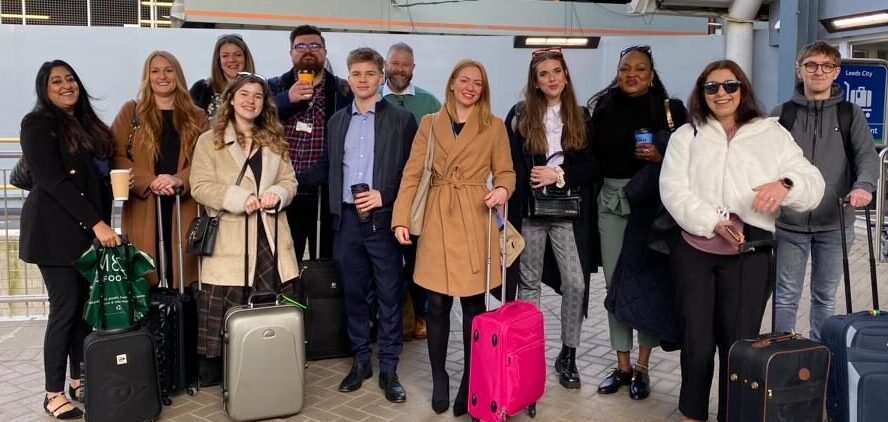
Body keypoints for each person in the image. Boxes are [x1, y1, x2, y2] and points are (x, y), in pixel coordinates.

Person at [660, 59, 825, 422]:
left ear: (743, 89)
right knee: (697, 343)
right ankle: (692, 413)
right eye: (712, 87)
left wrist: (785, 186)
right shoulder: (687, 135)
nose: (722, 93)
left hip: (750, 252)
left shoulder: (771, 133)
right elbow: (673, 190)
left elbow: (811, 181)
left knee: (738, 344)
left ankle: (735, 414)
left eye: (730, 86)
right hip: (695, 249)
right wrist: (712, 221)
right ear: (701, 94)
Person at [392, 59, 515, 416]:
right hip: (436, 217)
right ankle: (440, 376)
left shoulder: (493, 126)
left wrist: (503, 190)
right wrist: (401, 217)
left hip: (476, 216)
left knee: (475, 305)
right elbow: (412, 174)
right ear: (452, 84)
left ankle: (471, 381)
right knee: (437, 303)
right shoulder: (430, 124)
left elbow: (506, 171)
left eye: (478, 82)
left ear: (483, 89)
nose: (471, 87)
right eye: (465, 80)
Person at [297, 47, 417, 403]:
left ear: (381, 78)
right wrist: (289, 179)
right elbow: (327, 168)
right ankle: (361, 360)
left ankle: (390, 367)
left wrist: (386, 196)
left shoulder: (400, 121)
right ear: (348, 80)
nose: (362, 80)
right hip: (347, 220)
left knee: (389, 294)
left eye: (369, 73)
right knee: (352, 293)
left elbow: (411, 173)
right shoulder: (337, 122)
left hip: (382, 219)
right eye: (356, 74)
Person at [20, 60, 121, 419]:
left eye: (71, 78)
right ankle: (52, 393)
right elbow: (54, 182)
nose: (66, 85)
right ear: (44, 89)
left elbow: (99, 179)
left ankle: (78, 378)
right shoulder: (37, 124)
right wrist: (98, 224)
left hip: (85, 233)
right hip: (54, 234)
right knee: (64, 311)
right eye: (56, 81)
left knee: (83, 311)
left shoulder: (89, 125)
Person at [589, 44, 687, 400]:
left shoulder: (671, 110)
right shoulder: (604, 108)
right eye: (625, 68)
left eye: (640, 69)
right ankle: (623, 364)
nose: (631, 74)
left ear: (651, 74)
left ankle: (643, 368)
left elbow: (690, 154)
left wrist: (662, 153)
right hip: (611, 204)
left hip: (651, 204)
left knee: (648, 284)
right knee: (616, 285)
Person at [504, 47, 598, 390]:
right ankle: (529, 354)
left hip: (567, 212)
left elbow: (592, 166)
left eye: (556, 71)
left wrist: (558, 173)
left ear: (566, 75)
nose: (551, 78)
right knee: (528, 285)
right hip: (530, 212)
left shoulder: (582, 116)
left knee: (575, 283)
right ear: (535, 80)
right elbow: (510, 164)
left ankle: (568, 354)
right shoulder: (518, 115)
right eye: (543, 74)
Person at [771, 41, 879, 341]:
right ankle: (781, 355)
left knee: (824, 297)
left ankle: (820, 359)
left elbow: (866, 157)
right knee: (785, 296)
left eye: (826, 66)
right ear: (799, 70)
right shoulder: (782, 114)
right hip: (790, 223)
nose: (819, 71)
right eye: (811, 65)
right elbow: (763, 161)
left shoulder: (849, 113)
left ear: (836, 72)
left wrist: (863, 187)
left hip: (836, 224)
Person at [189, 72, 300, 363]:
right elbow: (199, 186)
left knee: (271, 312)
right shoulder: (208, 141)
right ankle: (233, 378)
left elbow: (290, 181)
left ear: (265, 103)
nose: (251, 101)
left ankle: (270, 370)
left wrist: (278, 192)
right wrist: (239, 198)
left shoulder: (275, 139)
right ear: (231, 99)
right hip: (231, 241)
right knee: (231, 315)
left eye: (258, 96)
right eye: (244, 94)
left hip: (270, 238)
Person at [110, 51, 207, 289]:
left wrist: (178, 180)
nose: (162, 76)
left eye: (168, 70)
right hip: (144, 205)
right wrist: (149, 181)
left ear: (178, 74)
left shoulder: (197, 116)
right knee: (146, 275)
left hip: (183, 205)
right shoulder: (131, 112)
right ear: (147, 76)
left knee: (184, 275)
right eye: (155, 71)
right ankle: (151, 325)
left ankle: (182, 324)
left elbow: (207, 159)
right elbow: (115, 154)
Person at [268, 24, 352, 261]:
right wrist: (287, 99)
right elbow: (255, 119)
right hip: (281, 192)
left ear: (324, 52)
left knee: (325, 265)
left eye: (314, 45)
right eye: (300, 46)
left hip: (324, 193)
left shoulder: (343, 90)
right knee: (282, 263)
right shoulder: (275, 86)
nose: (307, 50)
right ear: (291, 53)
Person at [381, 41, 443, 341]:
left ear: (413, 68)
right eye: (395, 63)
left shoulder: (430, 103)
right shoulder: (373, 100)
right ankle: (390, 320)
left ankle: (420, 315)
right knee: (386, 261)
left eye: (406, 64)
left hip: (420, 198)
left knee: (418, 260)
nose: (400, 69)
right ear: (385, 65)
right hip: (380, 196)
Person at [189, 33, 257, 120]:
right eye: (225, 56)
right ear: (218, 60)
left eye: (238, 55)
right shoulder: (201, 89)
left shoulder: (260, 89)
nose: (232, 60)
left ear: (246, 58)